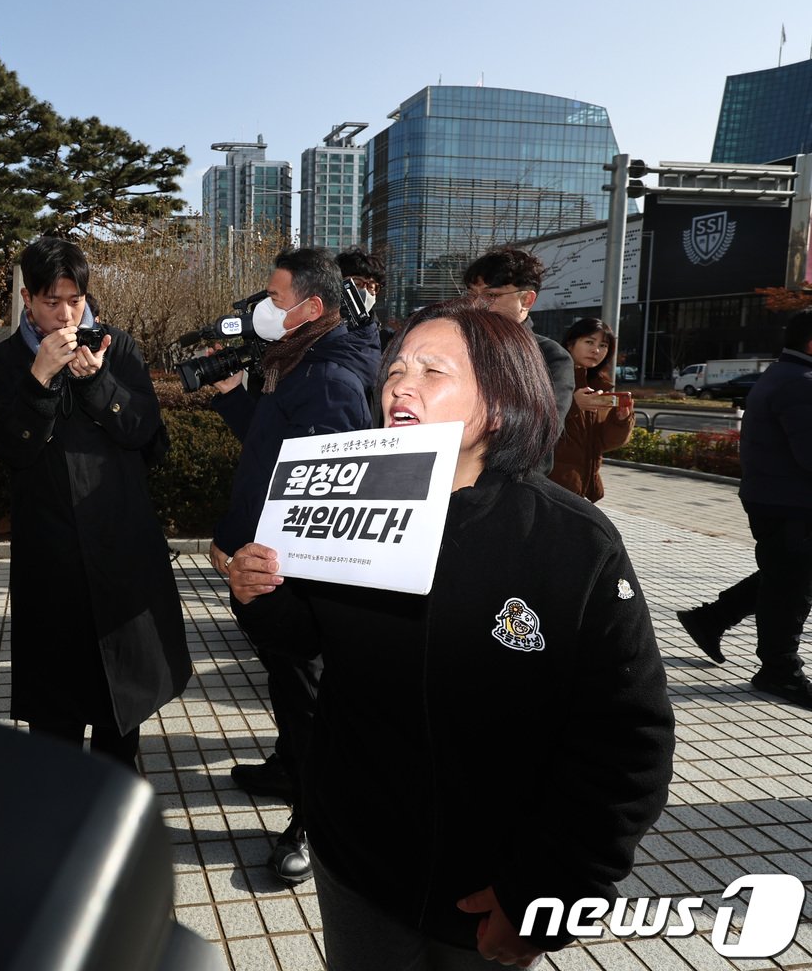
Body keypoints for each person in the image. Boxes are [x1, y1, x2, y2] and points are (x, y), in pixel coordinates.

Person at [227, 300, 673, 969]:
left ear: (500, 403)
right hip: (355, 863)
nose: (400, 385)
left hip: (492, 886)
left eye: (433, 371)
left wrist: (546, 893)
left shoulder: (571, 542)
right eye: (396, 369)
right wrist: (259, 594)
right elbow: (306, 638)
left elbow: (626, 741)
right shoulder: (351, 503)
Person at [0, 236, 188, 769]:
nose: (66, 314)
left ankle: (113, 811)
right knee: (57, 712)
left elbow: (147, 434)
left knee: (122, 705)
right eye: (52, 301)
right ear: (27, 299)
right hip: (51, 556)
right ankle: (58, 814)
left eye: (75, 299)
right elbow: (9, 449)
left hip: (120, 544)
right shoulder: (5, 361)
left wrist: (98, 382)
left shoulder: (118, 346)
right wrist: (40, 379)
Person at [208, 247, 381, 884]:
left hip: (294, 579)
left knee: (312, 700)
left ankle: (313, 821)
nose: (265, 309)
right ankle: (289, 769)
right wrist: (233, 395)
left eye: (275, 298)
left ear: (312, 306)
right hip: (265, 567)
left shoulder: (330, 378)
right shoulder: (299, 362)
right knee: (288, 686)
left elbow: (325, 497)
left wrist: (248, 552)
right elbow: (272, 445)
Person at [677, 310, 812, 709]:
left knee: (785, 574)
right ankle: (779, 670)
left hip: (779, 498)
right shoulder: (801, 384)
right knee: (792, 588)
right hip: (791, 502)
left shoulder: (786, 375)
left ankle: (711, 619)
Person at [464, 247, 574, 474]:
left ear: (526, 300)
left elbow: (540, 430)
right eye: (472, 295)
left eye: (490, 295)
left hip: (514, 486)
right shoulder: (458, 348)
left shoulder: (551, 358)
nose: (476, 305)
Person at [548, 317, 634, 501]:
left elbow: (603, 443)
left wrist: (620, 421)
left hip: (584, 488)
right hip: (551, 487)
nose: (596, 350)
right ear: (570, 344)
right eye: (589, 342)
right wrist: (572, 404)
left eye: (603, 345)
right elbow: (534, 423)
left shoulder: (599, 386)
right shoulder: (549, 375)